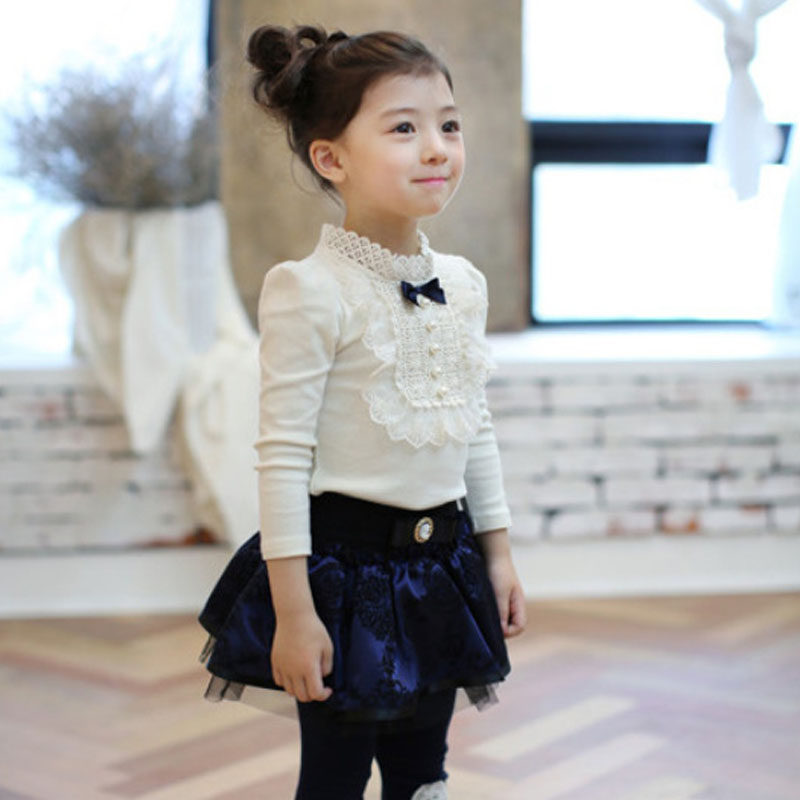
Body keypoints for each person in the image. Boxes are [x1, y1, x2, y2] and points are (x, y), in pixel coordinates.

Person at [198, 23, 526, 800]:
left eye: (449, 125)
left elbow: (473, 424)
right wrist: (294, 614)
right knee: (337, 776)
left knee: (423, 770)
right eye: (404, 129)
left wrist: (499, 552)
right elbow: (283, 456)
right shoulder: (308, 289)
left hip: (442, 567)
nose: (437, 148)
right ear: (331, 158)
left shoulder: (463, 283)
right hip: (342, 575)